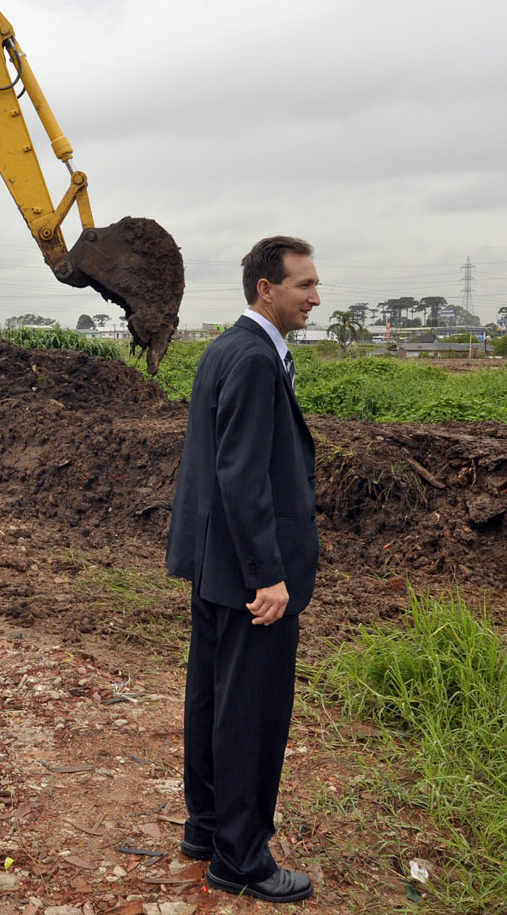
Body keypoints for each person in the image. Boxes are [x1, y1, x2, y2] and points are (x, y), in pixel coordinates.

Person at [165, 236, 321, 904]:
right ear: (267, 289)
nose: (316, 297)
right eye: (304, 285)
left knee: (211, 703)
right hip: (250, 577)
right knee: (250, 715)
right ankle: (242, 859)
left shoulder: (227, 348)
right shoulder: (256, 360)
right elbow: (241, 473)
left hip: (213, 568)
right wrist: (270, 574)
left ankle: (206, 830)